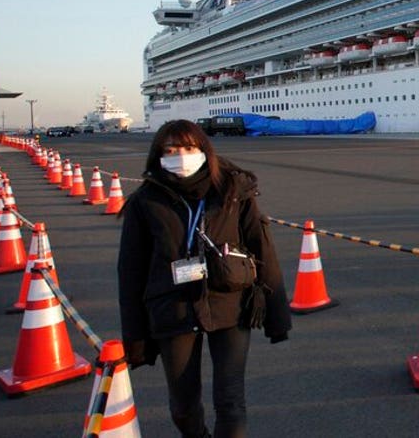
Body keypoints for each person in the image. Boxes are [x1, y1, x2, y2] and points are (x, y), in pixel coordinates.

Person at [118, 120, 291, 438]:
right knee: (183, 407)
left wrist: (277, 313)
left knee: (231, 403)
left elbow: (261, 247)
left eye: (188, 148)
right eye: (170, 150)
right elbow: (130, 271)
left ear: (204, 151)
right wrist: (135, 334)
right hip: (173, 309)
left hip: (230, 303)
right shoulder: (146, 201)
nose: (180, 156)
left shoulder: (233, 192)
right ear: (158, 155)